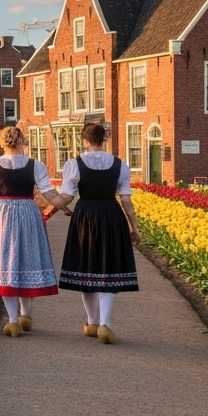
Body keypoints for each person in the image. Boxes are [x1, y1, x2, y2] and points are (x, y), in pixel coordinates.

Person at [0, 125, 70, 337]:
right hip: (28, 213)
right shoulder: (34, 165)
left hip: (3, 215)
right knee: (27, 261)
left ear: (2, 143)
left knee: (6, 263)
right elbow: (49, 194)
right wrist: (64, 204)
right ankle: (26, 315)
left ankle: (12, 320)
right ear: (22, 141)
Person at [56, 123, 141, 344]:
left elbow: (66, 196)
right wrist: (135, 227)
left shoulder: (74, 164)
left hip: (85, 216)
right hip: (111, 215)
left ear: (85, 140)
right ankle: (105, 324)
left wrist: (53, 205)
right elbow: (126, 200)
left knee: (88, 268)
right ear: (103, 140)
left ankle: (92, 322)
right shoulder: (119, 165)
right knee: (108, 268)